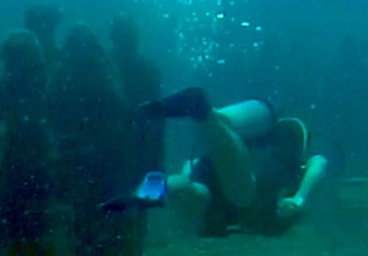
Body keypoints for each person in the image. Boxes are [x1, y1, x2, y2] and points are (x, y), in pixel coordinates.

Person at [135, 87, 331, 237]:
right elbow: (319, 163)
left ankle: (206, 113)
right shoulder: (297, 145)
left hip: (225, 152)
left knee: (199, 187)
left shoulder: (284, 137)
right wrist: (299, 198)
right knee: (234, 195)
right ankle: (205, 114)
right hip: (229, 180)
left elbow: (318, 163)